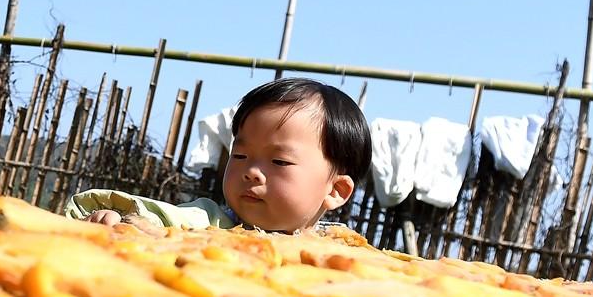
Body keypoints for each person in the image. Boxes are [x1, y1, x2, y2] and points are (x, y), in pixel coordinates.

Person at [65, 77, 371, 234]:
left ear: (335, 190)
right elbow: (157, 218)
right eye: (240, 156)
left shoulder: (337, 248)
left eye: (279, 161)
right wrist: (118, 218)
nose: (252, 171)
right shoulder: (209, 222)